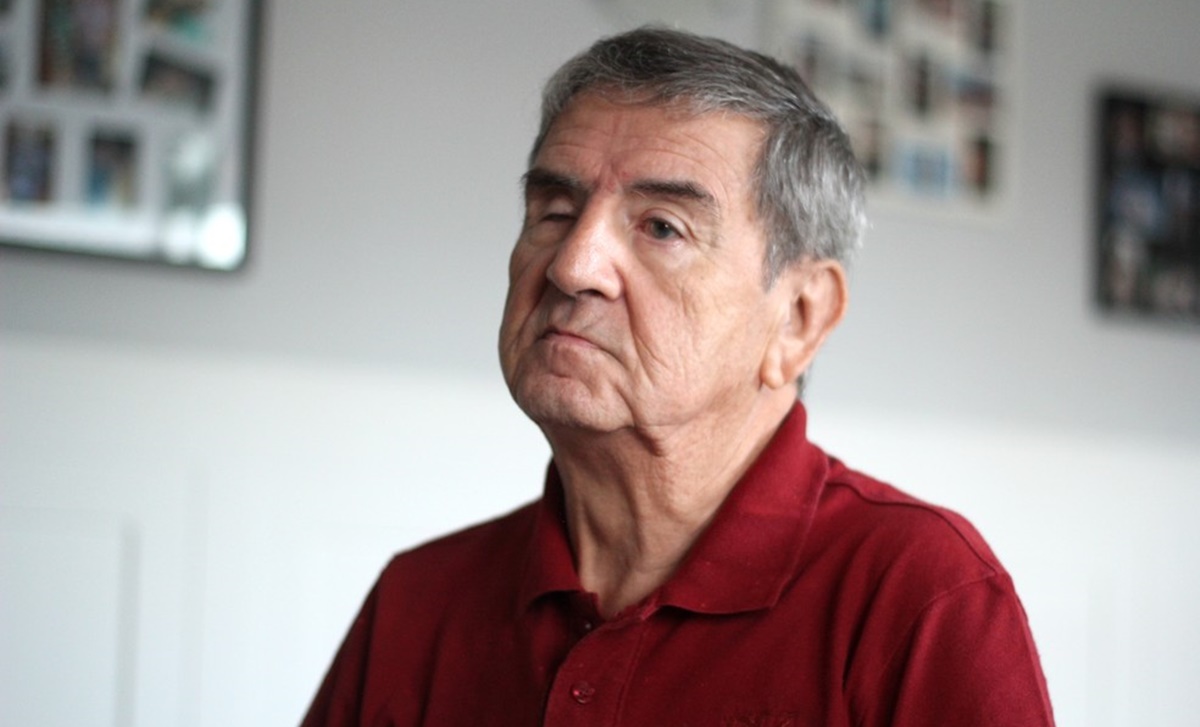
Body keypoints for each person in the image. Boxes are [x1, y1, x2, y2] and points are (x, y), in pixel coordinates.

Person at [302, 27, 1054, 726]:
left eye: (663, 226)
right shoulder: (416, 600)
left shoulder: (921, 596)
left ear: (799, 318)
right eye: (555, 210)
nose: (573, 266)